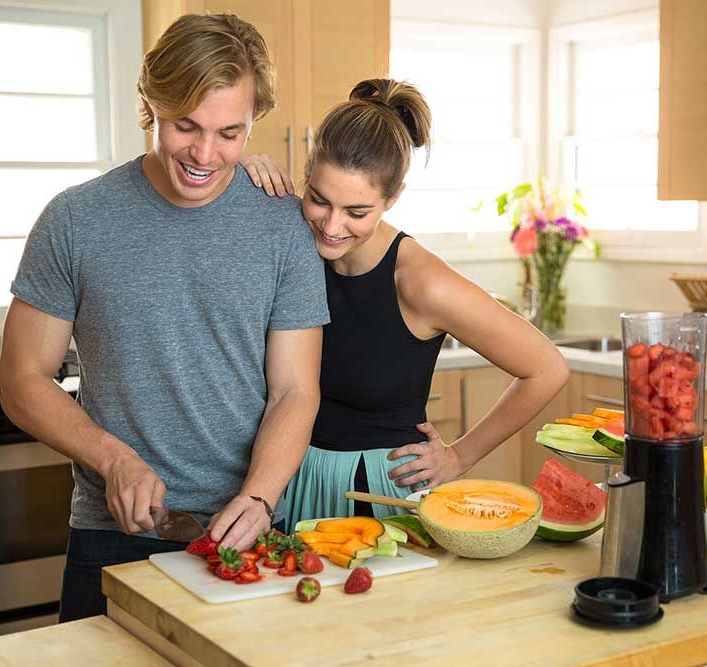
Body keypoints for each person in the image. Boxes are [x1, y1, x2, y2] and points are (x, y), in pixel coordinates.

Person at [0, 13, 329, 622]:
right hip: (111, 537)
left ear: (255, 120)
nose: (206, 155)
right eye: (187, 126)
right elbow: (22, 380)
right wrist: (114, 460)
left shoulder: (283, 225)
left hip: (248, 530)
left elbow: (294, 390)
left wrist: (260, 496)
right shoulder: (75, 220)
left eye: (231, 132)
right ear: (149, 104)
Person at [243, 79, 570, 530]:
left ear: (392, 199)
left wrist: (459, 456)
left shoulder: (422, 283)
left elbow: (547, 368)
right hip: (286, 481)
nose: (332, 226)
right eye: (318, 199)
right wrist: (243, 167)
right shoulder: (294, 242)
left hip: (383, 495)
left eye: (357, 212)